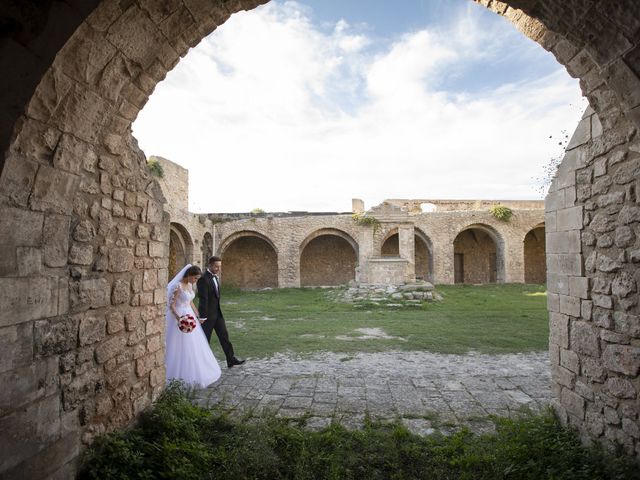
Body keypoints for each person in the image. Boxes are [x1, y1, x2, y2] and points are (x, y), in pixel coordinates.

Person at [165, 264, 221, 387]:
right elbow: (172, 305)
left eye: (197, 279)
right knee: (178, 345)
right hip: (179, 316)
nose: (196, 281)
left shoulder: (190, 285)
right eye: (195, 278)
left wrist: (198, 316)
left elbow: (190, 302)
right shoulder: (177, 286)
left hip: (189, 316)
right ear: (189, 275)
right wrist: (180, 319)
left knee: (194, 344)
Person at [197, 256, 246, 368]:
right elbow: (203, 299)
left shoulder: (216, 277)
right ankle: (202, 364)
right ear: (209, 265)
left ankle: (231, 359)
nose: (218, 268)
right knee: (205, 341)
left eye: (219, 266)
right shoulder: (203, 279)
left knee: (224, 337)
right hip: (207, 317)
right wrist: (203, 317)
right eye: (216, 266)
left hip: (218, 314)